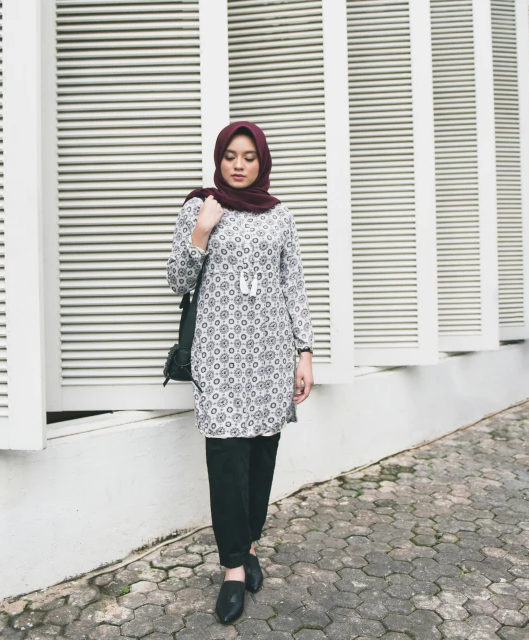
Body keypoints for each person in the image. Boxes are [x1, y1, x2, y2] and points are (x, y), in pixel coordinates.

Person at [166, 120, 314, 624]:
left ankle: (248, 546)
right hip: (220, 357)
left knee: (260, 458)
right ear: (219, 158)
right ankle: (232, 568)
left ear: (262, 161)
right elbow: (176, 280)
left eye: (249, 156)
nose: (239, 164)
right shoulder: (200, 206)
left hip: (270, 357)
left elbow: (293, 284)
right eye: (231, 154)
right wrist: (202, 229)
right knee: (225, 460)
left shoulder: (280, 216)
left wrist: (306, 353)